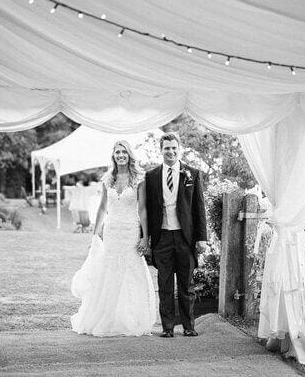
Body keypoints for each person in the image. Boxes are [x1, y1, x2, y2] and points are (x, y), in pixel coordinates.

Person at [70, 140, 157, 336]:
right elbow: (102, 207)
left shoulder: (139, 179)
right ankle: (106, 316)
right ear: (113, 156)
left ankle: (130, 318)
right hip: (111, 231)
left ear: (129, 155)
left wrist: (145, 237)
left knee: (130, 271)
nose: (120, 155)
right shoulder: (108, 178)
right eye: (117, 152)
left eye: (124, 152)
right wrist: (95, 233)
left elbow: (142, 209)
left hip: (130, 230)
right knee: (109, 272)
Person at [144, 132, 207, 338]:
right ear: (160, 150)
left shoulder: (193, 174)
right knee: (164, 285)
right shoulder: (151, 176)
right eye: (166, 148)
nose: (170, 151)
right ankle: (168, 327)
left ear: (179, 149)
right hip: (162, 237)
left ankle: (189, 326)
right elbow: (147, 209)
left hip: (185, 238)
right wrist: (146, 238)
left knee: (186, 285)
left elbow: (199, 208)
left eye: (173, 148)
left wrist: (201, 238)